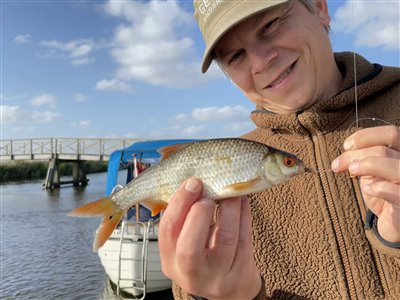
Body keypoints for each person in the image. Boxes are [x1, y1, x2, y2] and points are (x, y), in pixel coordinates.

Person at [158, 0, 400, 299]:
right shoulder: (227, 168)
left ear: (320, 8)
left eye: (270, 25)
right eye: (235, 56)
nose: (260, 63)